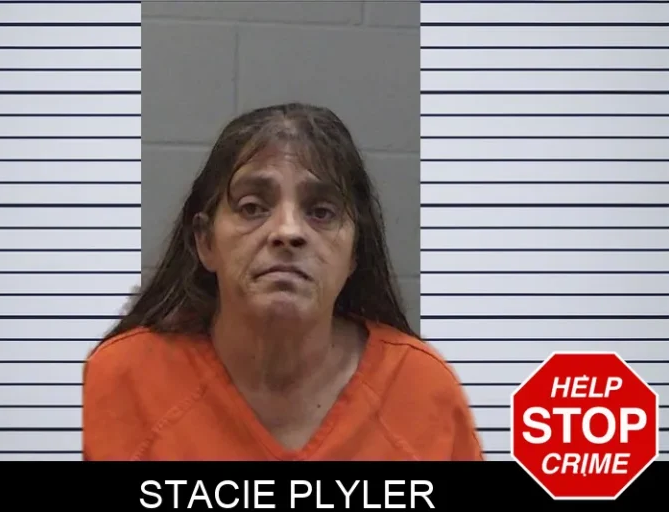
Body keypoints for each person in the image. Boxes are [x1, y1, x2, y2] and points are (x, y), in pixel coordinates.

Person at [82, 102, 484, 461]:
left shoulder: (422, 393)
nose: (288, 231)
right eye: (252, 207)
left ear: (354, 254)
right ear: (205, 241)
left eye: (321, 212)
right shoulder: (119, 383)